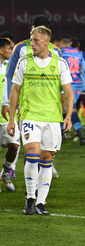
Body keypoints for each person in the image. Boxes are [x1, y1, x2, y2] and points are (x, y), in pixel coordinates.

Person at [7, 26, 73, 215]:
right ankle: (30, 197)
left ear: (46, 41)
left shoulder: (60, 63)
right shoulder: (23, 62)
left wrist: (68, 116)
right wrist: (12, 118)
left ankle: (41, 202)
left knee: (46, 160)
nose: (32, 43)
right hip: (30, 116)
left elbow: (68, 92)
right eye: (31, 39)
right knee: (33, 155)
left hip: (52, 118)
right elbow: (15, 90)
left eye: (35, 40)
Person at [1, 15, 62, 179]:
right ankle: (32, 188)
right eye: (33, 30)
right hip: (26, 106)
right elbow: (9, 76)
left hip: (50, 107)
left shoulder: (56, 51)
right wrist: (7, 102)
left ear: (48, 33)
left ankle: (44, 171)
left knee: (47, 147)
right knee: (31, 148)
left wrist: (62, 95)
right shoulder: (20, 48)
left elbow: (59, 77)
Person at [60, 34, 85, 145]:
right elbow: (83, 70)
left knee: (65, 108)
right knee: (72, 108)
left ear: (63, 43)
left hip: (66, 83)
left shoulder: (60, 52)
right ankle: (77, 135)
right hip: (77, 83)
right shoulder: (80, 53)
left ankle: (76, 135)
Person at [0, 38, 20, 192]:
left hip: (7, 116)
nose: (11, 51)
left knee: (14, 145)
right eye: (9, 48)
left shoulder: (8, 67)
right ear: (1, 50)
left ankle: (5, 172)